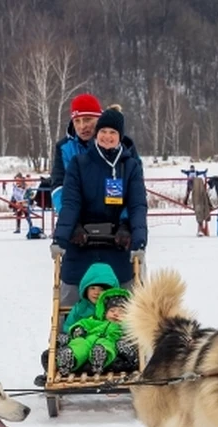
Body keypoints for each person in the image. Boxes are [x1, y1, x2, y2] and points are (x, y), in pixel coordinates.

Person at [51, 106, 148, 306]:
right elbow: (70, 202)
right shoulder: (79, 163)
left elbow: (137, 204)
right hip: (82, 239)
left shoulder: (129, 166)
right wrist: (62, 236)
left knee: (127, 294)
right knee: (72, 292)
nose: (107, 137)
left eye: (113, 132)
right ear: (97, 134)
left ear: (120, 137)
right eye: (103, 131)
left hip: (119, 239)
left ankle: (125, 335)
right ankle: (65, 333)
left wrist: (137, 238)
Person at [54, 288, 138, 376]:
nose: (116, 314)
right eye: (112, 311)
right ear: (105, 313)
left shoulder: (125, 327)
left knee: (106, 346)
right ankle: (69, 360)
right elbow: (84, 322)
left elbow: (132, 337)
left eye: (121, 312)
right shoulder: (96, 321)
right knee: (79, 343)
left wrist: (125, 345)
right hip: (88, 339)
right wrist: (78, 329)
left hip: (109, 340)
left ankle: (99, 360)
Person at [49, 93, 102, 214]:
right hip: (75, 215)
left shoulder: (120, 144)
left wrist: (124, 221)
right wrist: (67, 215)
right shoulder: (63, 148)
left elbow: (133, 188)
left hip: (113, 218)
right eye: (77, 121)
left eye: (88, 119)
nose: (82, 126)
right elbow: (58, 186)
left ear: (99, 118)